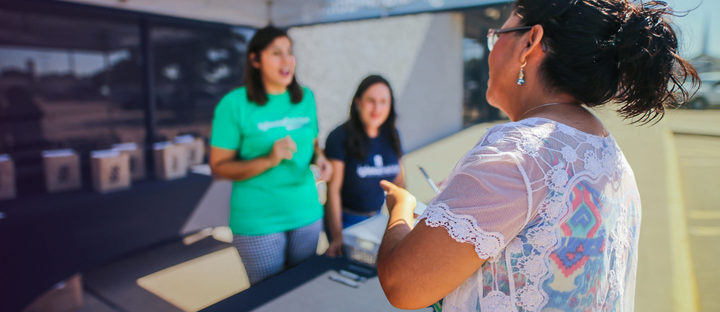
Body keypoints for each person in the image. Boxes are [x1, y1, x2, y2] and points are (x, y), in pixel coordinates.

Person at [375, 0, 698, 311]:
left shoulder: (516, 153)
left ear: (530, 41)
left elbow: (403, 284)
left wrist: (402, 208)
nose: (491, 51)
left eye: (496, 37)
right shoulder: (611, 157)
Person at [209, 26, 332, 285]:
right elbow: (219, 168)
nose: (287, 60)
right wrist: (269, 159)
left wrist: (320, 159)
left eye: (289, 52)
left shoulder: (306, 98)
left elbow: (313, 144)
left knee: (303, 291)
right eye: (276, 53)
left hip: (306, 213)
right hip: (258, 221)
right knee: (270, 297)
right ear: (255, 60)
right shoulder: (234, 104)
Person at [323, 75, 405, 257]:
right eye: (371, 101)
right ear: (358, 102)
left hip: (378, 219)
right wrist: (337, 237)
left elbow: (399, 181)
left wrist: (400, 222)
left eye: (384, 102)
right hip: (346, 221)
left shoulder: (392, 135)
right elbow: (333, 191)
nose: (377, 108)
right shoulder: (339, 136)